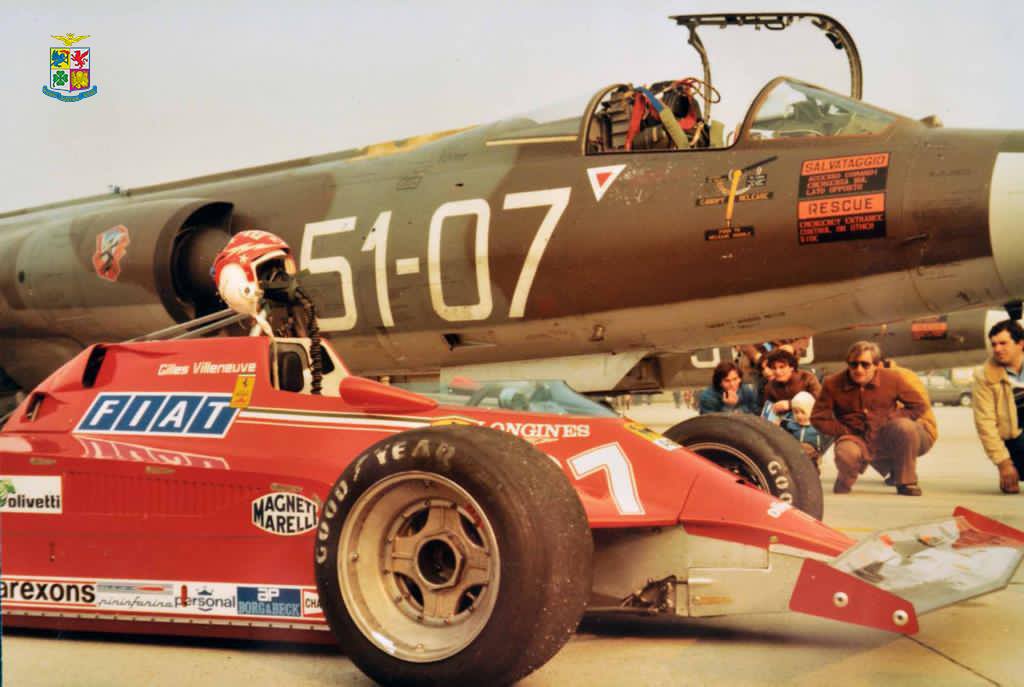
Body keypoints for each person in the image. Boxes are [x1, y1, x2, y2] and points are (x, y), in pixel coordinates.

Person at [811, 341, 933, 496]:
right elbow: (818, 417)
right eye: (853, 364)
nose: (858, 369)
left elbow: (919, 405)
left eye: (865, 364)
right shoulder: (832, 383)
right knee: (845, 451)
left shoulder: (894, 378)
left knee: (905, 427)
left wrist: (892, 418)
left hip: (886, 434)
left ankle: (906, 482)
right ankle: (845, 480)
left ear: (876, 365)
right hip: (855, 438)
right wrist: (843, 430)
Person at [971, 319, 1024, 494]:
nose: (997, 349)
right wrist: (1003, 463)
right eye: (994, 344)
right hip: (1016, 441)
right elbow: (985, 423)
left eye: (1003, 343)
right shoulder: (984, 376)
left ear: (1020, 344)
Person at [781, 391, 829, 473]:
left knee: (812, 472)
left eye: (803, 412)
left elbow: (826, 440)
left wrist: (821, 453)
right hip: (795, 455)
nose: (799, 415)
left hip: (812, 457)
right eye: (796, 412)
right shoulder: (790, 424)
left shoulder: (817, 426)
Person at [763, 348, 822, 415]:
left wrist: (790, 404)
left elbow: (819, 400)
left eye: (782, 367)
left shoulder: (807, 378)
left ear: (792, 367)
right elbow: (767, 411)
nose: (778, 372)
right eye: (774, 368)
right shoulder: (770, 387)